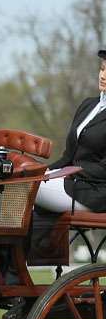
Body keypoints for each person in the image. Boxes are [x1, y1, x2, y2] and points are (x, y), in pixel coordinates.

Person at [35, 48, 106, 213]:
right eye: (102, 69)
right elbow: (69, 157)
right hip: (71, 183)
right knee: (24, 182)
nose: (103, 76)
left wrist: (70, 174)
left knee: (27, 189)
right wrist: (48, 169)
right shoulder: (88, 105)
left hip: (94, 192)